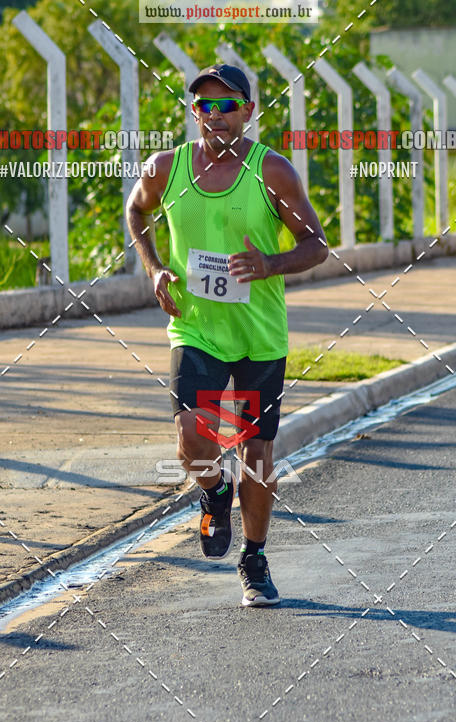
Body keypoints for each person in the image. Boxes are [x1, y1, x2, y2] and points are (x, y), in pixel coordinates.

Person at [126, 63, 328, 607]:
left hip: (260, 335)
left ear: (249, 110)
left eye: (226, 105)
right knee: (194, 433)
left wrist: (270, 263)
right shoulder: (166, 168)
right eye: (204, 107)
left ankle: (254, 559)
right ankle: (214, 494)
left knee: (256, 454)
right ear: (194, 113)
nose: (214, 116)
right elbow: (136, 211)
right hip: (195, 328)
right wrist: (155, 268)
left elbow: (316, 244)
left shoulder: (272, 172)